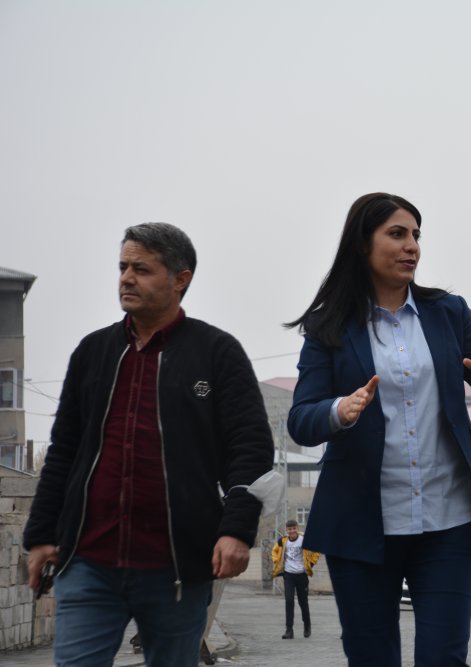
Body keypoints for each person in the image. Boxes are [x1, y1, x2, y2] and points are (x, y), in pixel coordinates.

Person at [285, 192, 471, 666]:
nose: (411, 245)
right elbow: (301, 420)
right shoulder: (328, 325)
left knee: (444, 657)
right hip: (361, 523)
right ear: (363, 243)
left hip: (448, 521)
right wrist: (340, 410)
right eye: (396, 234)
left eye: (416, 235)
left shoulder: (448, 312)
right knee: (371, 656)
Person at [23, 223, 275, 667]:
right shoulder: (93, 352)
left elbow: (250, 449)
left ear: (181, 279)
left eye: (141, 269)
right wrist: (42, 534)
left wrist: (236, 529)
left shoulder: (216, 353)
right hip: (89, 561)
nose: (126, 278)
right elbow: (63, 451)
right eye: (122, 267)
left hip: (177, 567)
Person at [271, 519, 321, 639]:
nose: (292, 531)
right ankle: (289, 630)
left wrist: (311, 564)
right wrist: (277, 561)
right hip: (288, 575)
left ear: (297, 528)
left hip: (302, 575)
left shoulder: (304, 540)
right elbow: (274, 551)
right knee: (289, 601)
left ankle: (307, 625)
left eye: (294, 528)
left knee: (303, 602)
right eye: (289, 529)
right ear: (286, 530)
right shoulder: (282, 541)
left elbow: (316, 552)